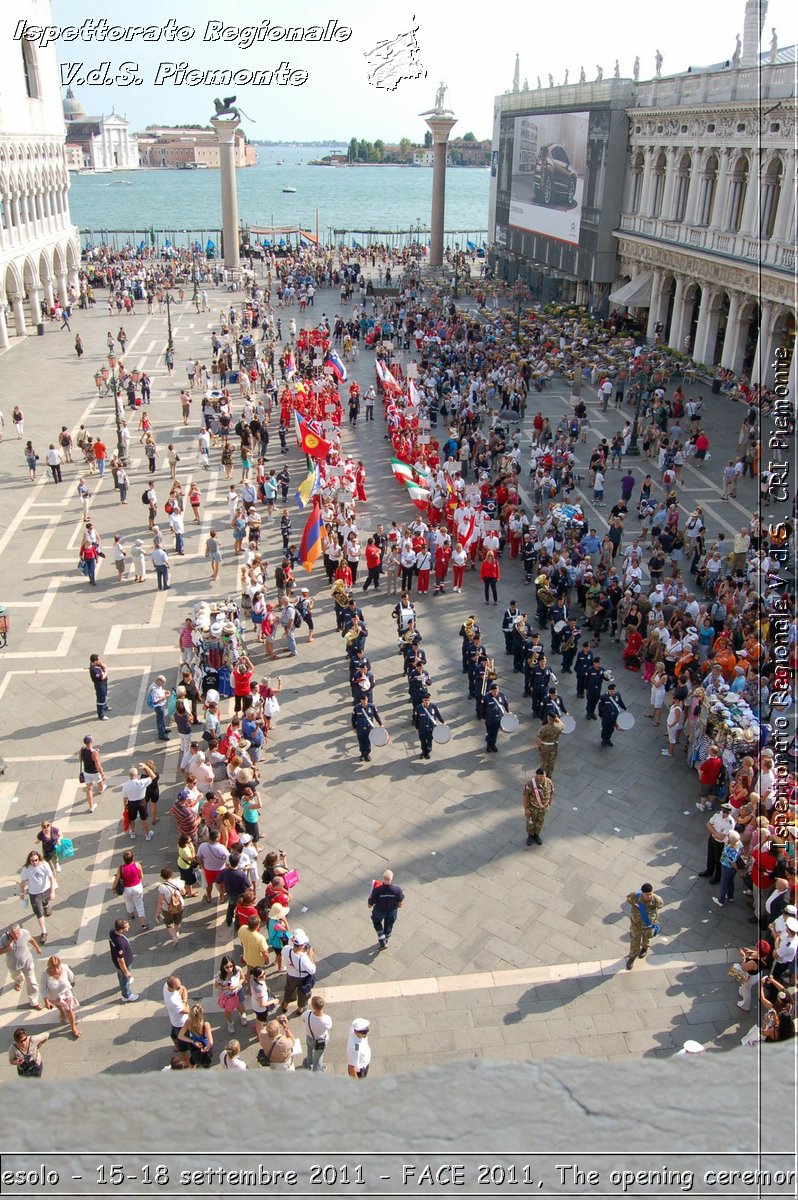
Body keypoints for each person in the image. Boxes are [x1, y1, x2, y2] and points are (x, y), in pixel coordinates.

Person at [0, 924, 43, 1008]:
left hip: (28, 962)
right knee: (16, 976)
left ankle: (34, 1002)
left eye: (17, 933)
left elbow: (30, 939)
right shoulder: (4, 939)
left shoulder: (25, 932)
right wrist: (6, 949)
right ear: (9, 933)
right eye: (13, 934)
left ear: (20, 930)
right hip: (14, 965)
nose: (16, 936)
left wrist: (37, 947)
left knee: (32, 982)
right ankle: (18, 981)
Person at [19, 851, 55, 944]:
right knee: (39, 913)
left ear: (39, 858)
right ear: (29, 860)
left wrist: (52, 891)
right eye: (32, 860)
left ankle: (46, 905)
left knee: (45, 901)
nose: (34, 862)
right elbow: (23, 881)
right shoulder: (26, 869)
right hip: (34, 894)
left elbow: (51, 877)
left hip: (46, 889)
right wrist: (22, 892)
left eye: (36, 860)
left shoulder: (44, 865)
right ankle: (44, 932)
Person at [626, 883, 663, 969]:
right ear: (642, 893)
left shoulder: (657, 900)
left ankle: (644, 948)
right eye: (647, 894)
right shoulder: (635, 896)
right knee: (635, 941)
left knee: (647, 938)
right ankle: (632, 957)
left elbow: (660, 906)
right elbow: (629, 900)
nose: (649, 896)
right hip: (636, 924)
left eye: (650, 894)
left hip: (649, 926)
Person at [42, 955, 80, 1038]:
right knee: (59, 1005)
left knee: (69, 1009)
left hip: (66, 994)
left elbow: (72, 977)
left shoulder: (65, 968)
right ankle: (62, 1012)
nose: (55, 970)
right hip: (54, 996)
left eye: (57, 967)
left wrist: (72, 983)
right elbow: (43, 988)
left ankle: (73, 1027)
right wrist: (46, 1001)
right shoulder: (45, 974)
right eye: (53, 968)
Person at [281, 928, 316, 1015]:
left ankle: (285, 1006)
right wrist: (311, 956)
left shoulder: (286, 949)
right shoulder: (304, 958)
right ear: (303, 946)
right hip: (302, 978)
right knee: (303, 993)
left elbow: (284, 952)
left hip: (290, 975)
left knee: (289, 990)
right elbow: (312, 970)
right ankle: (300, 1009)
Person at [368, 870, 405, 950]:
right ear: (391, 879)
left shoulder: (376, 890)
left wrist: (370, 898)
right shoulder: (397, 890)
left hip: (379, 911)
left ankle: (382, 940)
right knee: (388, 926)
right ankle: (386, 940)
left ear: (383, 879)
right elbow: (400, 903)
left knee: (376, 922)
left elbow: (370, 905)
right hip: (391, 912)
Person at [214, 954, 248, 1035]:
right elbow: (216, 985)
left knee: (241, 1005)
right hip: (227, 995)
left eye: (231, 966)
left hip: (238, 991)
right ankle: (230, 1023)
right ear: (223, 967)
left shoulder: (238, 969)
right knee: (228, 1010)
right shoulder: (220, 974)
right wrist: (224, 987)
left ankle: (242, 1015)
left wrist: (236, 985)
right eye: (226, 967)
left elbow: (243, 978)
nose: (229, 969)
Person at [122, 765, 156, 841]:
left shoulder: (125, 785)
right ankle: (147, 835)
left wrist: (125, 806)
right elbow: (153, 776)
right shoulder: (142, 782)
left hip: (131, 803)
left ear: (129, 775)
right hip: (141, 802)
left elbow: (124, 797)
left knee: (132, 819)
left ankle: (133, 833)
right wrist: (146, 767)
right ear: (136, 775)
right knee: (144, 819)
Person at [108, 917, 138, 1002]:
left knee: (120, 976)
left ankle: (122, 985)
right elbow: (120, 959)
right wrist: (126, 972)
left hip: (116, 962)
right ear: (121, 930)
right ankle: (126, 995)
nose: (129, 927)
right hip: (124, 964)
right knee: (124, 979)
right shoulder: (120, 943)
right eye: (127, 927)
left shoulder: (112, 932)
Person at [523, 767, 554, 846]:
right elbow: (525, 797)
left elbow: (551, 793)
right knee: (530, 823)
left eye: (543, 776)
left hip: (543, 808)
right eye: (540, 776)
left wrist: (549, 804)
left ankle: (536, 834)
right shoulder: (530, 784)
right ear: (536, 775)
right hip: (533, 808)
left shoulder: (549, 782)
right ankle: (530, 836)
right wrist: (526, 809)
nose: (542, 778)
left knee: (540, 822)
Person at [163, 976, 190, 1063]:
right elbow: (187, 1010)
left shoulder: (166, 986)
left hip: (174, 1020)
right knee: (183, 1046)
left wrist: (184, 1000)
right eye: (177, 987)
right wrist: (185, 1002)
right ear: (171, 987)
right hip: (181, 1023)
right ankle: (186, 1061)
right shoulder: (173, 1000)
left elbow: (183, 989)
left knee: (174, 1035)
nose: (180, 987)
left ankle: (177, 1047)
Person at [178, 1002, 214, 1068]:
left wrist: (193, 1041)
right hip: (204, 1046)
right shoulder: (205, 1025)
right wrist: (206, 1048)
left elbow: (180, 1036)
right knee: (206, 1064)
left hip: (195, 1046)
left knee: (193, 1061)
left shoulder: (188, 1022)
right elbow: (211, 1042)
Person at [155, 868, 185, 943]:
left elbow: (160, 901)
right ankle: (177, 932)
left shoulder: (162, 887)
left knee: (168, 923)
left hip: (167, 908)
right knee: (177, 920)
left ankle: (174, 938)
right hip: (179, 905)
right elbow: (183, 892)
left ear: (162, 876)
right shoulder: (178, 882)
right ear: (171, 874)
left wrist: (158, 912)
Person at [302, 994, 332, 1072]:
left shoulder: (307, 1014)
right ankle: (317, 1071)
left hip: (309, 1037)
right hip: (321, 1041)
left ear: (312, 1006)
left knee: (309, 1050)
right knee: (318, 1056)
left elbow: (303, 1019)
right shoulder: (326, 1020)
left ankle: (309, 1064)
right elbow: (329, 1027)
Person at [78, 733, 105, 813]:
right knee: (100, 783)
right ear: (91, 742)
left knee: (89, 789)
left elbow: (80, 759)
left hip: (86, 772)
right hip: (95, 772)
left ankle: (91, 807)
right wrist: (102, 774)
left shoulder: (82, 750)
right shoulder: (94, 752)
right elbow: (98, 764)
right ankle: (101, 790)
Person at [415, 692, 444, 760]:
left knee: (429, 741)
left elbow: (438, 715)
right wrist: (416, 728)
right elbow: (416, 719)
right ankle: (423, 752)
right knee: (423, 741)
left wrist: (443, 722)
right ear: (422, 700)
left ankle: (427, 752)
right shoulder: (418, 708)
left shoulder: (434, 706)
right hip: (422, 728)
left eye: (428, 700)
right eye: (425, 700)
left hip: (431, 728)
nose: (427, 702)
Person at [536, 710, 564, 776]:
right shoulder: (559, 726)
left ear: (548, 718)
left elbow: (538, 739)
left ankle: (543, 776)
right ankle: (549, 775)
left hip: (545, 747)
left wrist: (539, 747)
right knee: (551, 761)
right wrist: (557, 719)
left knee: (544, 762)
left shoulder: (543, 728)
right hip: (554, 746)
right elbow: (563, 725)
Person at [484, 681, 509, 753]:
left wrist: (508, 711)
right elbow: (482, 708)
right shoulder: (486, 697)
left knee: (495, 733)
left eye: (496, 691)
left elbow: (506, 704)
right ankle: (488, 746)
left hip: (498, 718)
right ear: (490, 691)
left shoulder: (502, 695)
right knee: (489, 733)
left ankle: (493, 745)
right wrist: (483, 718)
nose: (495, 692)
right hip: (489, 719)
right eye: (493, 691)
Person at [598, 682, 627, 747]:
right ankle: (604, 739)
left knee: (611, 728)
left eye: (614, 691)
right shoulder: (603, 697)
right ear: (608, 690)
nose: (613, 692)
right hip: (606, 716)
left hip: (614, 716)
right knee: (605, 728)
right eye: (611, 691)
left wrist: (625, 708)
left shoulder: (617, 695)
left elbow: (620, 702)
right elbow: (600, 707)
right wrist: (601, 715)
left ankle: (608, 739)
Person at [148, 675, 171, 741]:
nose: (164, 684)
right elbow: (155, 701)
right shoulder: (154, 689)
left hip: (161, 705)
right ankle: (161, 735)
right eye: (163, 682)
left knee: (161, 718)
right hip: (159, 706)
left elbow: (160, 690)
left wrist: (165, 691)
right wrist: (165, 696)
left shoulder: (157, 685)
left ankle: (163, 730)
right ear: (159, 681)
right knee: (160, 720)